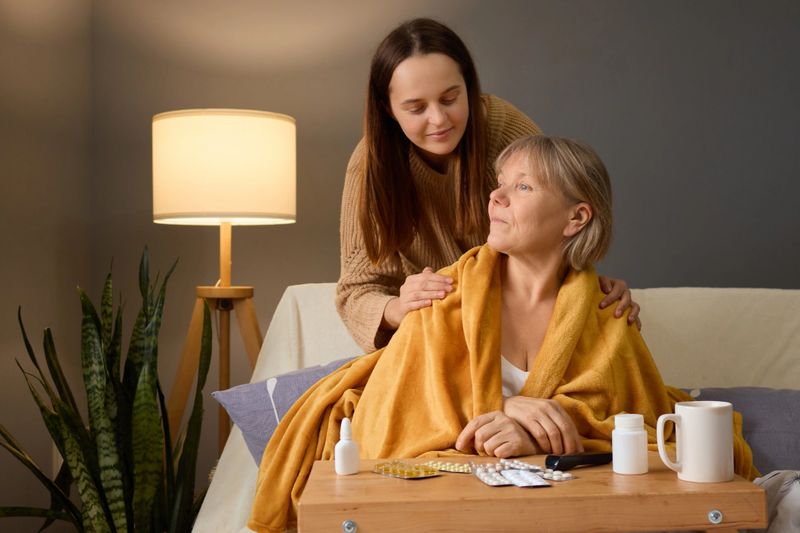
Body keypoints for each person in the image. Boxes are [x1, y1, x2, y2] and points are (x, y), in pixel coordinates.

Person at [249, 135, 755, 533]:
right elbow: (388, 431)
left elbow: (646, 440)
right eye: (500, 183)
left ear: (576, 218)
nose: (496, 195)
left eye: (524, 187)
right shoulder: (441, 298)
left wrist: (546, 431)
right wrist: (506, 410)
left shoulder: (607, 316)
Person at [336, 18, 641, 353]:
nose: (438, 119)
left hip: (509, 329)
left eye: (450, 98)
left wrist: (589, 288)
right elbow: (355, 292)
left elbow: (554, 225)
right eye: (417, 108)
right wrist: (399, 307)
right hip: (429, 337)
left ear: (469, 86)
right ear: (388, 109)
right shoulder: (370, 166)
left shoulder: (506, 132)